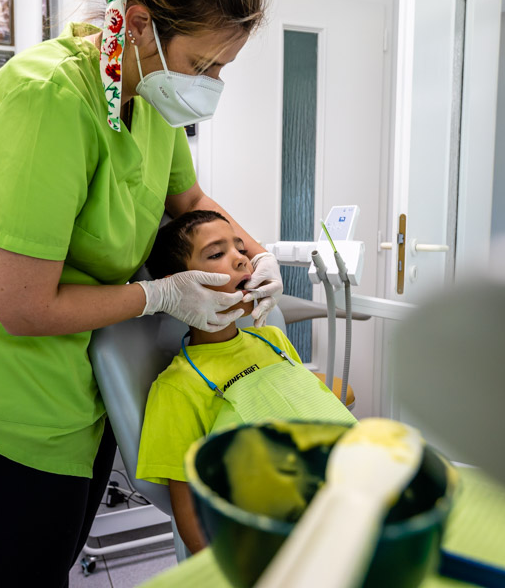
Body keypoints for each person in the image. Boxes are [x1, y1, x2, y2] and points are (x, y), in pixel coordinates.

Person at [0, 0, 275, 585]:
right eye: (203, 63)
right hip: (9, 389)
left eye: (224, 67)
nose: (212, 82)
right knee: (29, 573)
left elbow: (187, 201)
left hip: (86, 379)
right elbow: (24, 307)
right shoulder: (44, 100)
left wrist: (258, 253)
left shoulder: (148, 99)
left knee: (58, 557)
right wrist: (162, 296)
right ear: (138, 24)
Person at [136, 211, 357, 553]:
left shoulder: (272, 338)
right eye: (216, 254)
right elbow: (190, 515)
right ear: (180, 285)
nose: (242, 259)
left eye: (240, 248)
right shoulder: (177, 387)